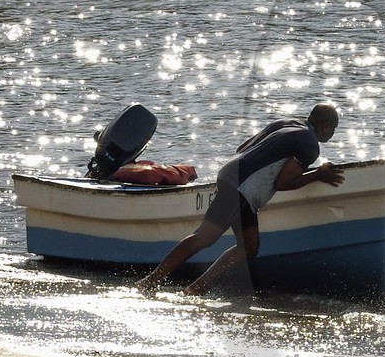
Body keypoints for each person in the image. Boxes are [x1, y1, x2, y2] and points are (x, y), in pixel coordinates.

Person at [138, 105, 343, 296]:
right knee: (206, 236)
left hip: (234, 175)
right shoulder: (310, 145)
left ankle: (194, 290)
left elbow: (243, 147)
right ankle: (149, 282)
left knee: (249, 247)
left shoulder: (286, 123)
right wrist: (318, 175)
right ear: (325, 127)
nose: (332, 135)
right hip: (240, 185)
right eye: (333, 130)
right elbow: (283, 182)